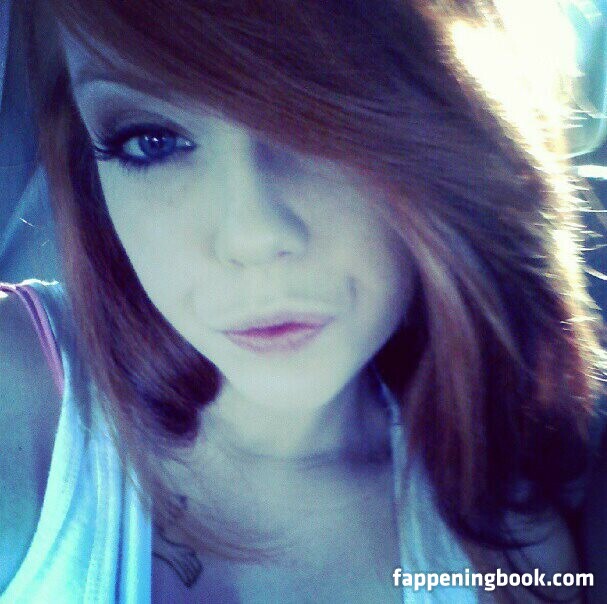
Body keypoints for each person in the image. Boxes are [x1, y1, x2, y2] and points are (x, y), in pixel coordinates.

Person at [1, 0, 606, 602]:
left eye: (322, 121)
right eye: (152, 141)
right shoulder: (20, 387)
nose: (253, 235)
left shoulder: (512, 557)